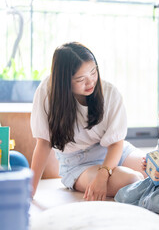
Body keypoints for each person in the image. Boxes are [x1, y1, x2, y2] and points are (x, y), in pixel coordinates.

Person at [30, 42, 146, 201]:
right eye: (80, 79)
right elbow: (43, 143)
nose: (91, 82)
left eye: (93, 72)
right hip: (77, 163)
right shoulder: (46, 93)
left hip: (113, 151)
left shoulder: (110, 93)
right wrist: (29, 191)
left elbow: (116, 144)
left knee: (156, 170)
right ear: (64, 82)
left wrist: (103, 175)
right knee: (133, 180)